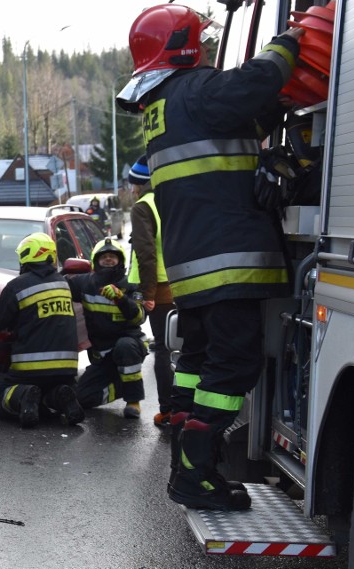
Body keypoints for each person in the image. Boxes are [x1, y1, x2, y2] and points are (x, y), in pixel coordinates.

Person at [117, 4, 303, 510]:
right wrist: (293, 36)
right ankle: (196, 474)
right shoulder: (199, 90)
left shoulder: (163, 105)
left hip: (194, 268)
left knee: (197, 364)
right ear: (188, 44)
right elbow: (261, 76)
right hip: (228, 262)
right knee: (234, 364)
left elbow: (240, 117)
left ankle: (187, 465)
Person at [0, 232, 85, 428]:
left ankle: (22, 395)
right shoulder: (64, 283)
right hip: (66, 369)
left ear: (26, 256)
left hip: (30, 369)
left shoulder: (18, 286)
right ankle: (61, 397)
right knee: (49, 389)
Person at [68, 238, 147, 419]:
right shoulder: (84, 283)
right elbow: (59, 285)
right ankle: (121, 386)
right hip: (102, 355)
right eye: (104, 257)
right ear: (96, 261)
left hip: (129, 348)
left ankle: (133, 401)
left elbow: (140, 317)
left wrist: (121, 298)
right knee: (81, 398)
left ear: (120, 261)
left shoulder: (131, 285)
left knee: (125, 346)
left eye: (113, 256)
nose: (109, 259)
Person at [126, 154, 174, 427]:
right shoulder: (173, 200)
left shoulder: (143, 207)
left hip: (159, 290)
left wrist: (149, 295)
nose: (132, 190)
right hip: (184, 285)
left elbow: (146, 255)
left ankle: (167, 410)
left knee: (163, 349)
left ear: (141, 184)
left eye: (133, 184)